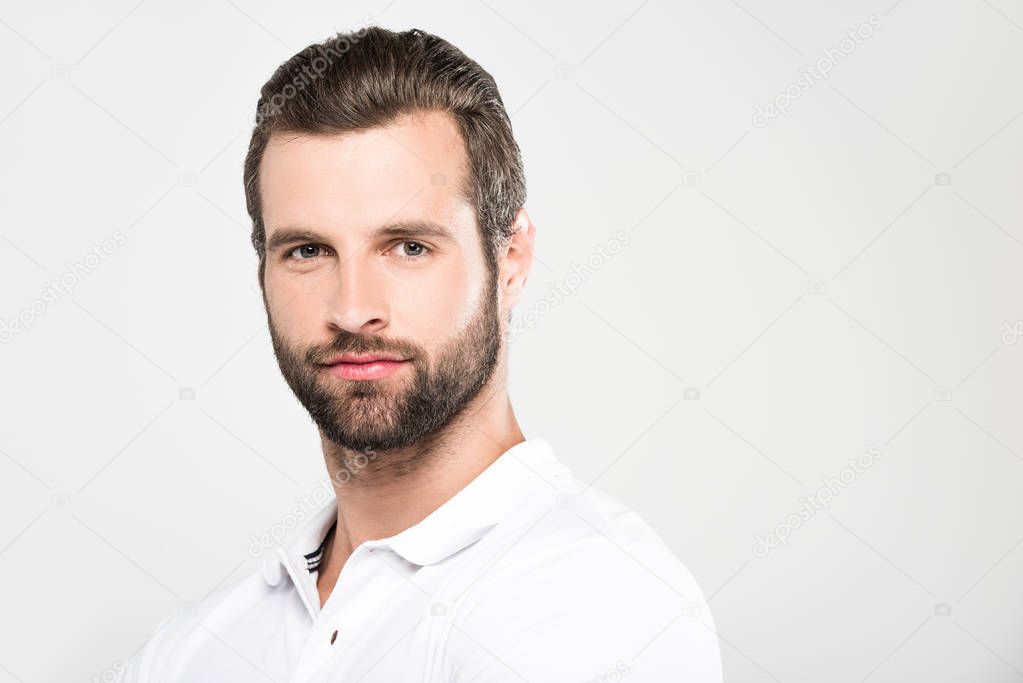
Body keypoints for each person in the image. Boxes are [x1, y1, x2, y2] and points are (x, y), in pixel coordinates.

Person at [118, 25, 722, 682]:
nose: (352, 309)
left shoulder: (597, 601)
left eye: (408, 246)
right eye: (308, 251)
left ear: (510, 257)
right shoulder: (190, 651)